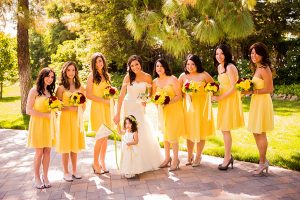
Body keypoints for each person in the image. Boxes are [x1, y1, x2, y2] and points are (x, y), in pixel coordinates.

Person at [113, 55, 163, 173]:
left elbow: (150, 94)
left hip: (139, 108)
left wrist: (145, 99)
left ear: (140, 63)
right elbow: (120, 97)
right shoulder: (128, 77)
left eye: (137, 64)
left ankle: (144, 163)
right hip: (128, 106)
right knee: (129, 133)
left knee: (142, 131)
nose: (135, 67)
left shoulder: (147, 77)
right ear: (129, 67)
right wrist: (117, 114)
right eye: (132, 65)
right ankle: (130, 165)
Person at [178, 54, 215, 167]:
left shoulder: (204, 75)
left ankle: (198, 156)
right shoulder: (183, 76)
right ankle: (190, 156)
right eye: (188, 64)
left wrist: (208, 93)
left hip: (201, 108)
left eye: (192, 64)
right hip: (188, 109)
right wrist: (186, 96)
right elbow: (178, 93)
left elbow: (214, 87)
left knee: (200, 132)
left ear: (197, 64)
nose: (190, 66)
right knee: (189, 132)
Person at [212, 44, 244, 170]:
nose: (219, 56)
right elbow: (223, 85)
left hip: (229, 100)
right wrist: (214, 91)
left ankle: (227, 158)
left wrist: (220, 98)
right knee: (224, 129)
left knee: (225, 128)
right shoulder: (220, 67)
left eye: (221, 53)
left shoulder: (230, 67)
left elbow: (234, 87)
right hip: (223, 99)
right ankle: (228, 156)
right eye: (217, 54)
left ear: (226, 54)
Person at [244, 42, 274, 176]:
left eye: (256, 53)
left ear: (262, 54)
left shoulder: (264, 68)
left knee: (260, 132)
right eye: (252, 53)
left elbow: (269, 89)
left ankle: (262, 163)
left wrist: (252, 92)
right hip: (256, 102)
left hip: (262, 103)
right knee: (256, 132)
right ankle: (263, 161)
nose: (253, 55)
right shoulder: (257, 68)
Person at [152, 58, 185, 171]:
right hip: (162, 112)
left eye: (161, 66)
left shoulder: (172, 79)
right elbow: (153, 97)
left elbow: (179, 96)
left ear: (165, 67)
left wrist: (167, 102)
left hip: (174, 110)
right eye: (157, 66)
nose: (159, 68)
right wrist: (159, 105)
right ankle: (167, 158)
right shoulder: (155, 82)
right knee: (165, 135)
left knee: (172, 135)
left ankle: (176, 160)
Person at [26, 67, 56, 189]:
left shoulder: (50, 92)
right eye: (48, 76)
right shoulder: (34, 91)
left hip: (48, 125)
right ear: (42, 76)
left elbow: (51, 109)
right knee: (39, 152)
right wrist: (46, 115)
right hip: (38, 124)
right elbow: (28, 110)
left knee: (48, 151)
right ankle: (37, 177)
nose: (50, 79)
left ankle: (46, 176)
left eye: (52, 77)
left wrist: (55, 113)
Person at [56, 61, 86, 181]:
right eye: (68, 70)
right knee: (66, 146)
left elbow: (84, 104)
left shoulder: (80, 86)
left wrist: (79, 108)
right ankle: (66, 172)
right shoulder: (61, 88)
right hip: (65, 119)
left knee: (74, 145)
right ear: (64, 71)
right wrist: (70, 108)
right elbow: (56, 105)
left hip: (76, 119)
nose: (71, 72)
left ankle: (74, 170)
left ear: (76, 72)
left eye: (73, 70)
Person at [86, 53, 111, 174]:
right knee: (100, 136)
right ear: (93, 64)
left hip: (107, 108)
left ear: (103, 62)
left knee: (105, 137)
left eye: (100, 61)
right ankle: (95, 163)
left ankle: (102, 162)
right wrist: (103, 100)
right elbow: (88, 95)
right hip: (97, 108)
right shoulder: (91, 76)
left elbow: (108, 91)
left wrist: (111, 97)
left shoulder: (106, 75)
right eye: (96, 62)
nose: (98, 64)